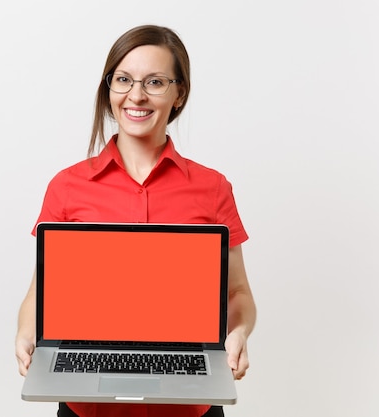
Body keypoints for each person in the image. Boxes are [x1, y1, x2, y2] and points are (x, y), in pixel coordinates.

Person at [16, 24, 257, 417]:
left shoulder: (212, 188)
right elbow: (39, 292)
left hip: (189, 404)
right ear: (109, 88)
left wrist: (239, 332)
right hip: (87, 406)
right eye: (124, 80)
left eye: (156, 81)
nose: (137, 95)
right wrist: (27, 334)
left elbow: (238, 294)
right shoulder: (67, 186)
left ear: (180, 93)